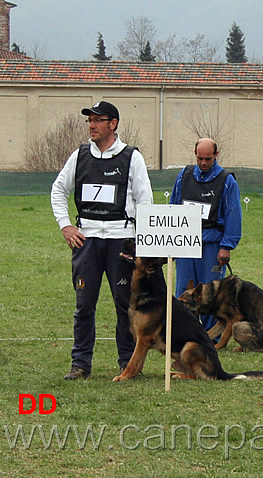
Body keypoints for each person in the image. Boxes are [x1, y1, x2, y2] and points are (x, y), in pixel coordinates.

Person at [51, 101, 153, 380]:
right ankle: (80, 364)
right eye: (90, 121)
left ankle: (128, 364)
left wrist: (142, 244)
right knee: (84, 305)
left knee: (125, 305)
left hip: (122, 240)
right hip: (87, 242)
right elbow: (58, 190)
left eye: (98, 120)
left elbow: (145, 201)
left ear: (113, 124)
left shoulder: (132, 157)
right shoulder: (80, 155)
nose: (92, 126)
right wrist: (66, 226)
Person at [170, 138, 242, 330]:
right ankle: (185, 331)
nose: (203, 163)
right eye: (200, 158)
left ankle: (212, 336)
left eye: (207, 159)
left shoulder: (227, 181)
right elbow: (173, 207)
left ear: (216, 156)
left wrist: (226, 246)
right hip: (185, 242)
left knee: (211, 294)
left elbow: (233, 215)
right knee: (184, 290)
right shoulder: (183, 176)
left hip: (211, 244)